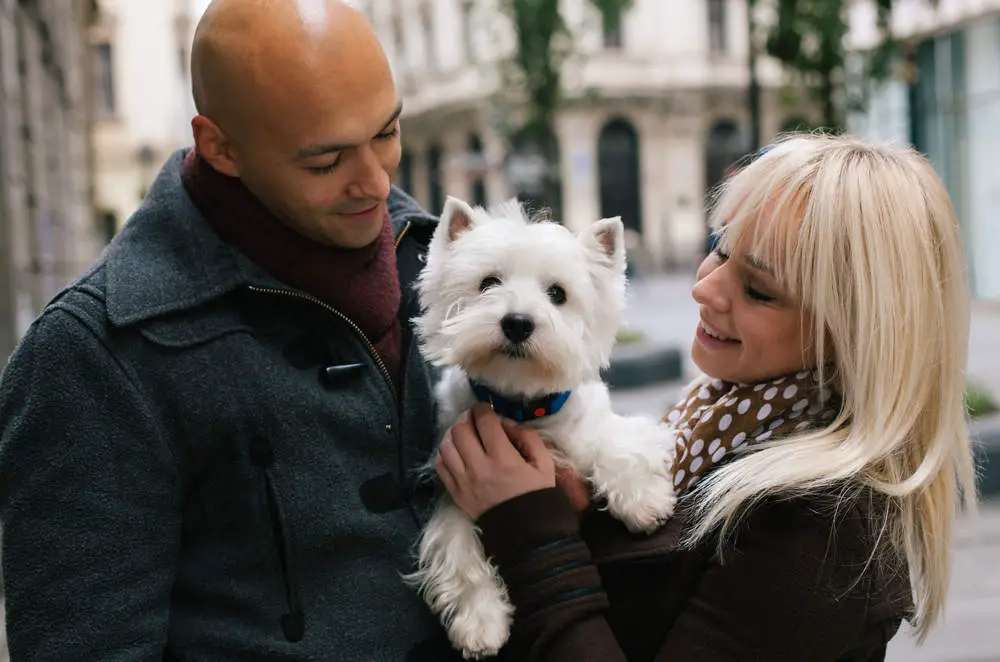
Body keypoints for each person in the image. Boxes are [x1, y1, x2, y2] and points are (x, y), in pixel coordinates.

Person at [0, 1, 462, 659]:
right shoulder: (93, 355)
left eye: (386, 132)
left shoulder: (448, 262)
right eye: (324, 160)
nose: (375, 179)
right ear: (220, 147)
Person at [435, 133, 978, 661]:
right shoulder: (717, 422)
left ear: (854, 333)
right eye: (719, 250)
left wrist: (533, 533)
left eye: (758, 289)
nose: (703, 288)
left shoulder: (826, 530)